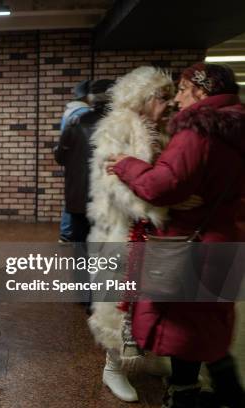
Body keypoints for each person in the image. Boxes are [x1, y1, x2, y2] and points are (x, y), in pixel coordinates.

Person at [106, 63, 245, 408]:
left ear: (201, 90)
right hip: (226, 236)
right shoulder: (238, 125)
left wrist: (126, 163)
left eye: (182, 90)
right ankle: (226, 389)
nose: (177, 100)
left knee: (186, 324)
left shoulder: (197, 129)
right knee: (209, 319)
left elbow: (161, 185)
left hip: (191, 243)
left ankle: (186, 394)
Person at [86, 66, 175, 402]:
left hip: (154, 232)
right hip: (123, 229)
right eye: (161, 98)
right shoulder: (117, 127)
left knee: (153, 296)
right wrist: (157, 205)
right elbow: (111, 182)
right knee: (119, 300)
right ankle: (113, 368)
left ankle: (148, 352)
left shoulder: (163, 130)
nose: (168, 105)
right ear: (142, 98)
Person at [54, 79, 113, 242]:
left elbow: (60, 157)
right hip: (108, 199)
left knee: (80, 247)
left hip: (78, 197)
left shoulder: (74, 123)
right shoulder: (120, 125)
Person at [56, 79, 92, 242]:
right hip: (82, 162)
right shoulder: (82, 114)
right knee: (77, 200)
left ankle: (65, 233)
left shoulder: (69, 112)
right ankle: (67, 233)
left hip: (72, 161)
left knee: (72, 197)